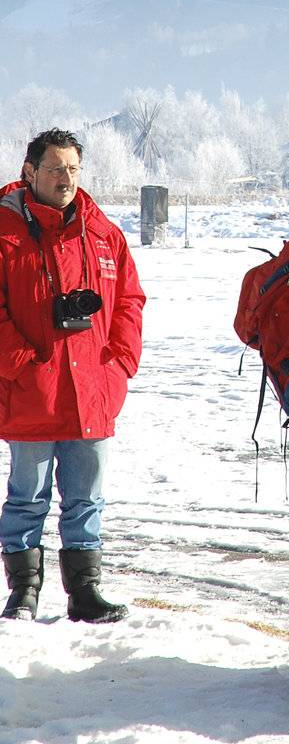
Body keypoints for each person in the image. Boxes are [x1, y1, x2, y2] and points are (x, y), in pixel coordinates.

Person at [0, 129, 145, 623]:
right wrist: (21, 364)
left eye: (73, 169)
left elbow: (129, 300)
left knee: (87, 499)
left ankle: (86, 593)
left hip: (93, 391)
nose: (66, 178)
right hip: (32, 390)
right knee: (27, 498)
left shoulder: (102, 231)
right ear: (30, 172)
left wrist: (120, 361)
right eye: (56, 168)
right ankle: (23, 593)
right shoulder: (5, 231)